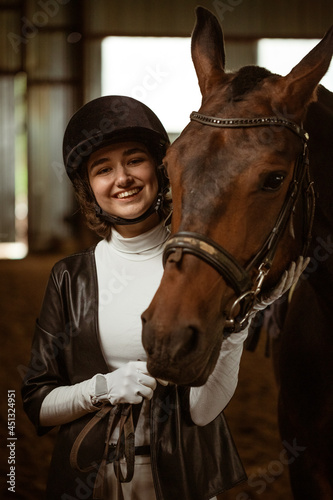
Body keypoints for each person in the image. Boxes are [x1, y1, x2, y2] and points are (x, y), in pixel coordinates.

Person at [21, 95, 303, 500]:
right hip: (93, 481)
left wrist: (240, 324)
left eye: (134, 160)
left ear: (160, 168)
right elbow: (34, 402)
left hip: (181, 480)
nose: (123, 178)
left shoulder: (202, 273)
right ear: (89, 187)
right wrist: (102, 388)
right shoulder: (69, 277)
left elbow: (203, 411)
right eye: (103, 169)